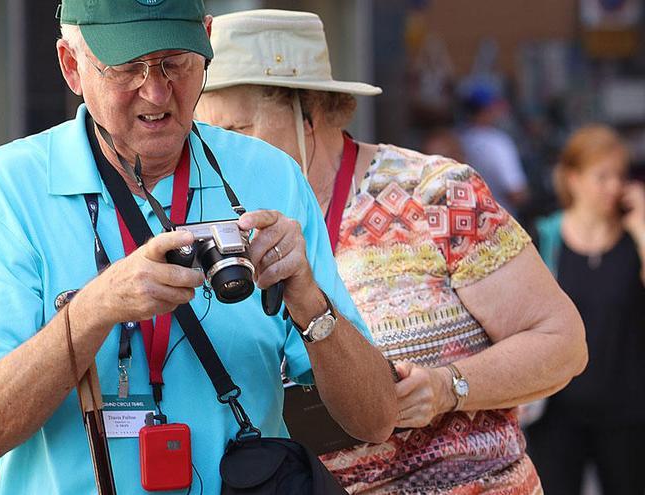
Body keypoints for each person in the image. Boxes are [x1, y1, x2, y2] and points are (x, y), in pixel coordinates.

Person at [0, 1, 398, 493]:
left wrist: (307, 298)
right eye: (127, 68)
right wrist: (94, 309)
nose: (157, 93)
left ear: (207, 43)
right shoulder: (6, 190)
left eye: (175, 63)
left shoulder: (269, 174)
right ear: (71, 65)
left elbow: (376, 419)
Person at [196, 9, 587, 493]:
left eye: (237, 130)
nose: (221, 153)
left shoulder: (434, 193)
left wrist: (449, 386)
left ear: (309, 112)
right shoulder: (219, 229)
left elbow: (562, 340)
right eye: (208, 136)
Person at [526, 125, 645, 495]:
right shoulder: (544, 236)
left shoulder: (632, 239)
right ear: (573, 179)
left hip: (628, 410)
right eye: (602, 176)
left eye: (620, 176)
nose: (614, 187)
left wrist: (641, 225)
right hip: (557, 411)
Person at [459, 83, 530, 217]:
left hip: (465, 223)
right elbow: (516, 193)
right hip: (499, 227)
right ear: (488, 109)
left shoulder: (457, 140)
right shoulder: (498, 142)